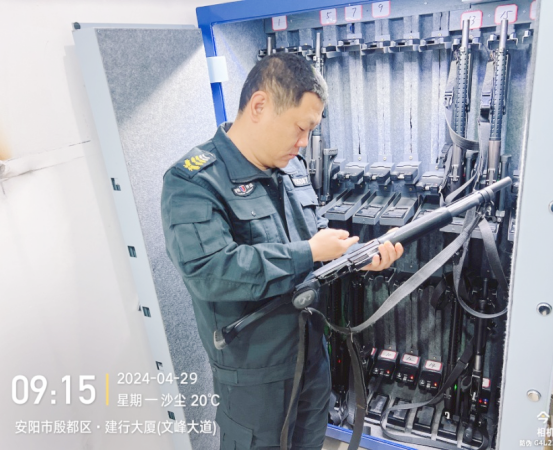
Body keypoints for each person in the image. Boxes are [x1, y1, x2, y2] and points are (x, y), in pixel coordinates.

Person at [161, 53, 403, 450]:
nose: (304, 141)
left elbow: (318, 242)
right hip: (254, 379)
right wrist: (308, 252)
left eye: (311, 130)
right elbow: (208, 270)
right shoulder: (194, 182)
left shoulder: (292, 169)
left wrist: (362, 258)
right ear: (259, 106)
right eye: (300, 127)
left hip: (311, 357)